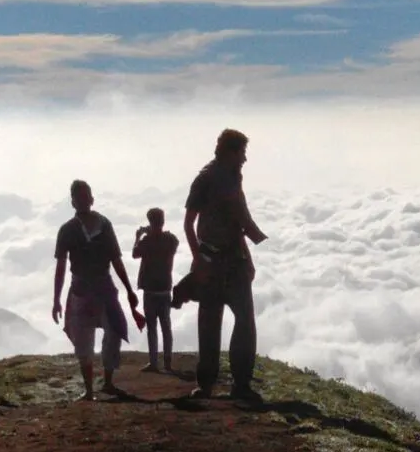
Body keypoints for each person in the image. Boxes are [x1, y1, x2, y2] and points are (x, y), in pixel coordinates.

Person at [180, 128, 267, 401]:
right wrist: (199, 261)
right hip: (212, 261)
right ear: (229, 151)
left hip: (235, 260)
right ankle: (206, 384)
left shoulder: (231, 178)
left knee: (244, 320)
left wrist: (248, 259)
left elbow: (238, 226)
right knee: (209, 321)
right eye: (241, 153)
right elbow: (188, 224)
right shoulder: (206, 179)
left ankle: (241, 384)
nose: (244, 159)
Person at [50, 179, 141, 400]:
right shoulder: (67, 230)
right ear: (73, 202)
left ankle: (107, 383)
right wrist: (56, 300)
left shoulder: (104, 224)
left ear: (92, 198)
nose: (82, 201)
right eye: (78, 197)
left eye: (85, 196)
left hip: (105, 289)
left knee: (114, 333)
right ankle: (89, 390)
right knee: (83, 341)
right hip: (80, 290)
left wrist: (129, 290)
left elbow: (116, 259)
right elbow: (61, 266)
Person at [132, 206, 180, 375]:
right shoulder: (170, 240)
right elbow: (175, 241)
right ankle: (167, 362)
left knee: (152, 327)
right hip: (165, 288)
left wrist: (139, 236)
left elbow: (134, 253)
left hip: (150, 290)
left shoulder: (146, 242)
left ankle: (154, 362)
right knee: (166, 326)